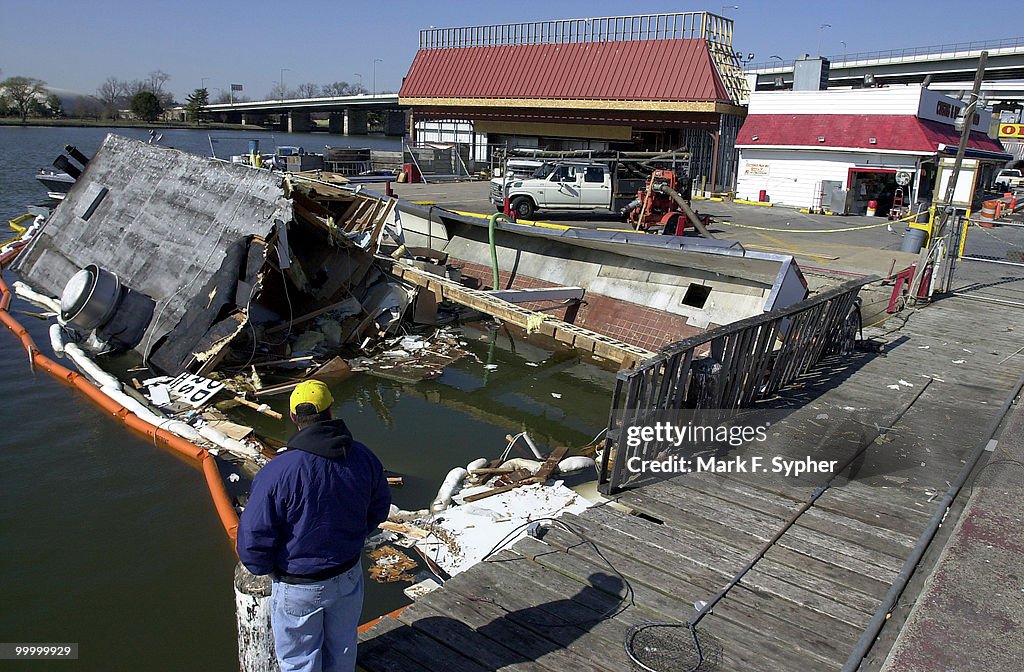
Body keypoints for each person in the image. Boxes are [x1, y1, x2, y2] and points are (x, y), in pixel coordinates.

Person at [236, 380, 391, 672]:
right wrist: (352, 537)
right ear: (332, 410)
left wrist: (263, 567)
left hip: (298, 585)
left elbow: (254, 538)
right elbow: (378, 509)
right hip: (346, 573)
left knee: (300, 661)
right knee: (343, 648)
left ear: (294, 417)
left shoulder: (278, 472)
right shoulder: (363, 457)